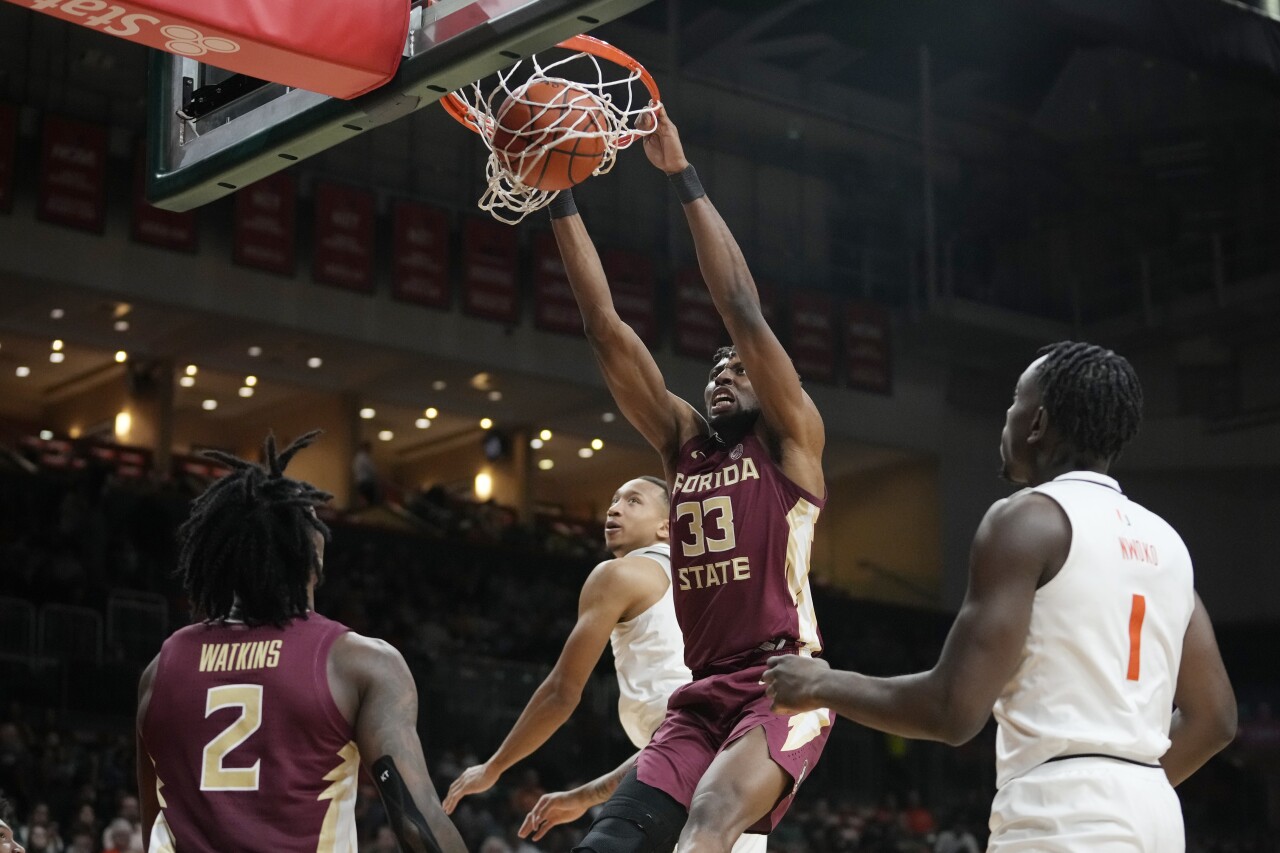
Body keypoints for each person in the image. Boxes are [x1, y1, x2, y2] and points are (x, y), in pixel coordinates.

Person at [763, 341, 1239, 851]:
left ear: (1036, 423)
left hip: (1060, 812)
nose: (1008, 414)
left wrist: (822, 684)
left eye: (1016, 399)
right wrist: (1124, 789)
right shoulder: (1168, 542)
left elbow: (951, 710)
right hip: (1156, 815)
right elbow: (1215, 719)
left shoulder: (1027, 519)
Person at [543, 105, 834, 853]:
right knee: (608, 842)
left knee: (707, 822)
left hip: (783, 685)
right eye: (713, 370)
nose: (724, 374)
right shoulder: (683, 448)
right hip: (698, 698)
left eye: (739, 367)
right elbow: (605, 326)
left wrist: (680, 175)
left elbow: (741, 309)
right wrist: (558, 193)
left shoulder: (792, 447)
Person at [136, 431, 466, 853]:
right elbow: (418, 826)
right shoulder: (358, 663)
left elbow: (153, 827)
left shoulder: (159, 670)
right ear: (311, 549)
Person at [442, 476, 693, 832]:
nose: (614, 508)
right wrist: (585, 796)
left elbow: (561, 692)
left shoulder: (617, 574)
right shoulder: (706, 579)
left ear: (667, 526)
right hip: (724, 759)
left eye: (634, 501)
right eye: (614, 498)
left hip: (680, 758)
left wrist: (494, 766)